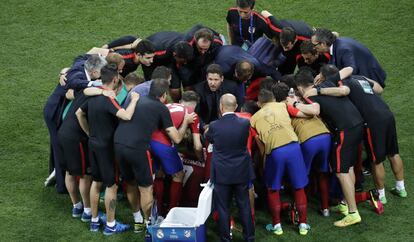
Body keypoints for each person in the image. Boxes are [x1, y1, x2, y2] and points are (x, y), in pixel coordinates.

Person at [308, 64, 407, 204]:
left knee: (376, 159)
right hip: (387, 114)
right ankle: (400, 187)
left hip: (373, 121)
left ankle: (381, 195)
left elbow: (343, 92)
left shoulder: (340, 83)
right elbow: (378, 88)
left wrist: (319, 90)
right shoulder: (360, 78)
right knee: (393, 152)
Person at [113, 79, 196, 232]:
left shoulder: (137, 99)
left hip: (118, 144)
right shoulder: (160, 108)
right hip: (137, 148)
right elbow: (177, 138)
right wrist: (185, 122)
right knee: (146, 189)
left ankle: (137, 220)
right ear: (164, 95)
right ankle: (149, 224)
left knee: (130, 183)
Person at [76, 64, 140, 235]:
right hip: (107, 148)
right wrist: (133, 100)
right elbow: (126, 116)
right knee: (111, 185)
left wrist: (89, 132)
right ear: (115, 79)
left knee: (96, 182)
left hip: (93, 144)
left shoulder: (93, 96)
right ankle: (110, 225)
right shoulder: (108, 99)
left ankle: (95, 222)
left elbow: (78, 114)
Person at [295, 69, 364, 227]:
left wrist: (294, 103)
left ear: (299, 87)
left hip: (344, 130)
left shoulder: (309, 95)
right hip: (357, 123)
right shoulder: (326, 82)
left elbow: (314, 110)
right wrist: (321, 88)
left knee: (341, 172)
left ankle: (353, 213)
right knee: (349, 167)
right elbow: (348, 69)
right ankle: (346, 204)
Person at [43, 54, 107, 193]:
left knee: (60, 145)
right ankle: (61, 185)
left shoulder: (82, 63)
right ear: (94, 71)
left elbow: (81, 56)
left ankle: (57, 174)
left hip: (62, 107)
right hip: (55, 110)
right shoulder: (78, 76)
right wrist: (94, 84)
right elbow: (74, 83)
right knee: (58, 146)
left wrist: (63, 71)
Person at [251, 88, 309, 235]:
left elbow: (260, 145)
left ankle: (277, 225)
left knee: (273, 189)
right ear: (273, 99)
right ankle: (303, 224)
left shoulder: (253, 119)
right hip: (293, 147)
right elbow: (298, 113)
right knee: (299, 187)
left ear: (259, 103)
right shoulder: (282, 105)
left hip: (275, 151)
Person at [272, 82, 331, 216]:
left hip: (308, 139)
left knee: (301, 177)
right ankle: (325, 208)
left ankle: (298, 208)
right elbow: (315, 109)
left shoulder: (284, 107)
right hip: (325, 135)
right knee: (322, 174)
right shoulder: (303, 99)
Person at [205, 93, 255, 242]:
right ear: (236, 107)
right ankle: (249, 238)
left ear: (221, 107)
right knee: (244, 205)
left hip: (222, 172)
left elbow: (208, 138)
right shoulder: (245, 124)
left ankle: (225, 239)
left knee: (223, 207)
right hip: (241, 171)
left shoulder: (214, 126)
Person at [151, 90, 203, 213]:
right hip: (163, 144)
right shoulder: (192, 114)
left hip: (148, 140)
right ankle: (172, 209)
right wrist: (201, 158)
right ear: (195, 105)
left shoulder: (169, 105)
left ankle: (158, 209)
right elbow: (197, 146)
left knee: (159, 174)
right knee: (178, 175)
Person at [311, 28, 386, 87]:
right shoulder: (336, 44)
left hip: (369, 75)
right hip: (363, 71)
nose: (314, 48)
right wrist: (323, 74)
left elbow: (350, 69)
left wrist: (329, 81)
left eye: (314, 45)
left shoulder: (343, 49)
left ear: (323, 44)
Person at [144, 31, 194, 101]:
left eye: (186, 61)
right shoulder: (158, 52)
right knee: (174, 89)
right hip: (161, 55)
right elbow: (146, 64)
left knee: (188, 84)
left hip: (171, 52)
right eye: (182, 61)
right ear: (174, 55)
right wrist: (150, 82)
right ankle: (176, 105)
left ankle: (187, 104)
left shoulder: (187, 47)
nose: (185, 63)